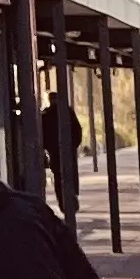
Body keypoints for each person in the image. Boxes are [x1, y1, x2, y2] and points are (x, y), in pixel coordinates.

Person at [41, 85, 84, 220]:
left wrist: (48, 148)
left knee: (59, 178)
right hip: (67, 151)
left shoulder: (46, 115)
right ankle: (72, 198)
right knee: (70, 174)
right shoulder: (68, 111)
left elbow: (43, 134)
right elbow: (77, 130)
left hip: (55, 152)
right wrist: (73, 145)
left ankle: (64, 203)